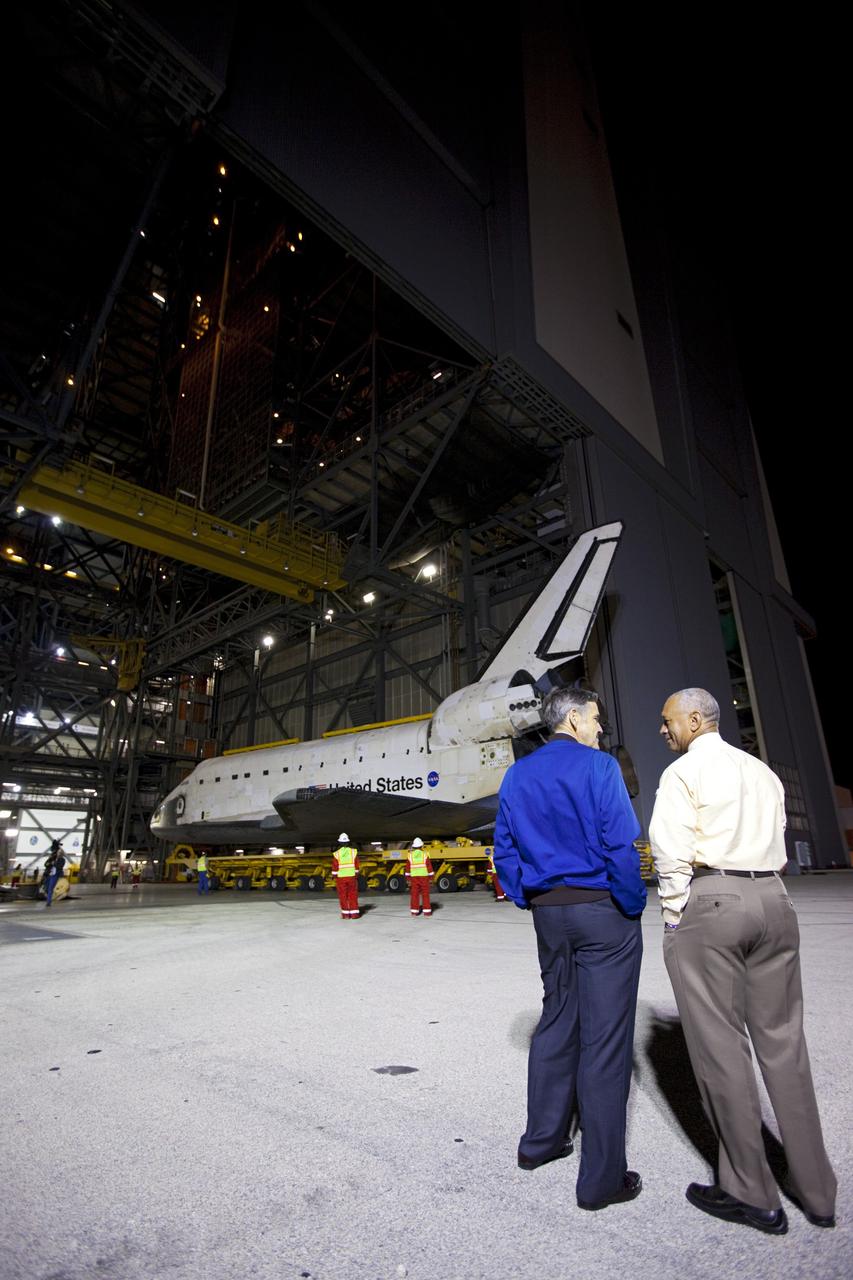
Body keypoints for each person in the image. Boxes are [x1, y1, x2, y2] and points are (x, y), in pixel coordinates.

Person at [649, 687, 837, 1234]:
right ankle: (816, 1190)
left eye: (667, 722)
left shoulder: (683, 773)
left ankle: (751, 1192)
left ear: (692, 719)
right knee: (784, 1046)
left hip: (716, 901)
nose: (663, 730)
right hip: (775, 901)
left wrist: (675, 917)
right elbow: (774, 835)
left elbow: (670, 849)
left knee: (721, 1049)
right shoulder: (762, 772)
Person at [493, 685, 646, 1210]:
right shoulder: (599, 769)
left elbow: (504, 849)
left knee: (556, 1021)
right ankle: (601, 1181)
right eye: (596, 719)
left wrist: (527, 897)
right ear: (575, 718)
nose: (600, 728)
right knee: (605, 1042)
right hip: (602, 910)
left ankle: (540, 1143)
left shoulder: (517, 775)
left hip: (549, 914)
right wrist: (631, 904)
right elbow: (620, 847)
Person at [331, 833, 360, 919]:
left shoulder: (337, 854)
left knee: (343, 896)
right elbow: (357, 866)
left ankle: (346, 915)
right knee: (353, 895)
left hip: (341, 878)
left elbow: (335, 867)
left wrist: (335, 876)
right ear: (348, 842)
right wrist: (355, 875)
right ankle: (354, 914)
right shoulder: (353, 852)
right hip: (351, 877)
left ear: (340, 842)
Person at [405, 837, 433, 916]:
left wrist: (408, 879)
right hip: (424, 877)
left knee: (414, 895)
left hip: (414, 878)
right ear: (421, 846)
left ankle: (414, 912)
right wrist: (431, 878)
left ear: (413, 846)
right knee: (425, 895)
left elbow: (407, 869)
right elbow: (429, 867)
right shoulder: (425, 855)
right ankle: (427, 913)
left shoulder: (410, 856)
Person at [43, 841, 66, 908]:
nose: (58, 854)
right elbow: (46, 864)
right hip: (50, 874)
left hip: (55, 875)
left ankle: (48, 902)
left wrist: (53, 863)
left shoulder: (62, 860)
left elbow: (59, 866)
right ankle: (48, 899)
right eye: (58, 853)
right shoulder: (53, 858)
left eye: (59, 853)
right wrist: (51, 863)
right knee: (47, 888)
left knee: (50, 888)